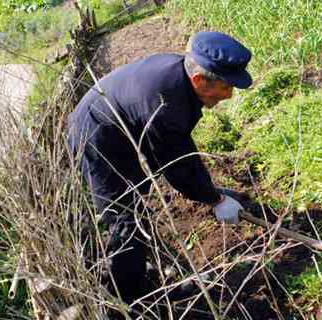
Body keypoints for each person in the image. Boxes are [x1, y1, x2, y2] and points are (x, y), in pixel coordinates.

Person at [66, 31, 253, 303]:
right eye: (226, 87)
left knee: (138, 193)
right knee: (125, 217)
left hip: (117, 128)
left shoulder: (180, 77)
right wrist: (215, 199)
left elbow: (180, 148)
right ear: (200, 79)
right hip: (95, 137)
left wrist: (209, 193)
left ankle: (140, 270)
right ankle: (130, 299)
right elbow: (175, 164)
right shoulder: (166, 104)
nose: (229, 96)